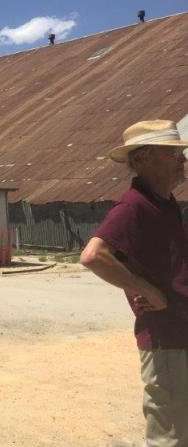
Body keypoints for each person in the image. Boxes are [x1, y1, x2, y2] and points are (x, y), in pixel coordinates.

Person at [80, 120, 188, 446]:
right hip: (165, 337)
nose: (182, 159)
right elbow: (92, 256)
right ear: (144, 158)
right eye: (173, 153)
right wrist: (148, 291)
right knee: (169, 436)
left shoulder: (165, 204)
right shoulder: (133, 206)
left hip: (180, 330)